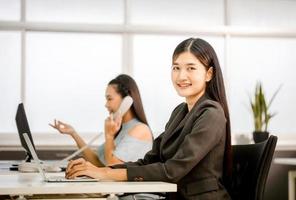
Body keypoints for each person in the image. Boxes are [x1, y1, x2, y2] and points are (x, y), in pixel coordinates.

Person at [65, 38, 232, 200]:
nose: (181, 76)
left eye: (191, 68)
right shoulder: (180, 112)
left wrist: (105, 173)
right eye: (176, 68)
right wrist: (100, 170)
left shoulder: (212, 114)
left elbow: (172, 170)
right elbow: (150, 161)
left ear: (209, 74)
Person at [50, 74, 153, 167]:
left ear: (127, 100)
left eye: (109, 99)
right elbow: (97, 162)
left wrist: (109, 136)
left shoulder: (140, 129)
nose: (106, 104)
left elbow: (113, 166)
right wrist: (74, 133)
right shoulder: (121, 130)